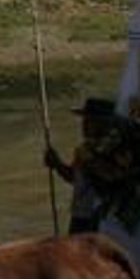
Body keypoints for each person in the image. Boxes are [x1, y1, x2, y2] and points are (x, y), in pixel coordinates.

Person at [45, 99, 121, 234]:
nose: (84, 125)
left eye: (90, 121)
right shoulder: (84, 148)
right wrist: (57, 164)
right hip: (80, 213)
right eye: (84, 120)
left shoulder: (111, 149)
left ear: (103, 123)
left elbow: (111, 178)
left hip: (97, 217)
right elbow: (74, 177)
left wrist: (90, 161)